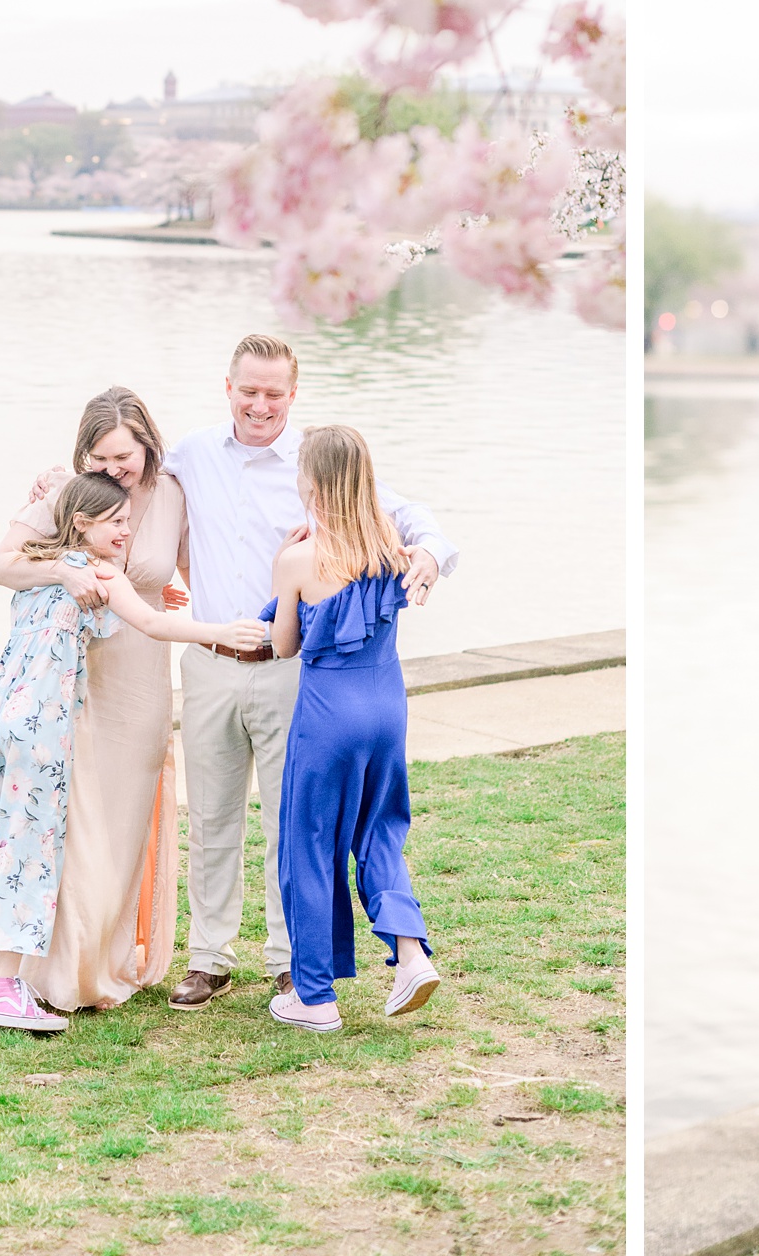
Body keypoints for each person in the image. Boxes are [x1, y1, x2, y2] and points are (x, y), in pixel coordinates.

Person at [163, 333, 460, 1011]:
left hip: (289, 671)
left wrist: (432, 556)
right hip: (209, 664)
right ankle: (209, 957)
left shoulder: (319, 461)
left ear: (293, 394)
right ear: (228, 385)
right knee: (211, 819)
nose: (260, 404)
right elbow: (125, 472)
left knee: (293, 821)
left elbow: (412, 516)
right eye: (249, 389)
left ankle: (290, 961)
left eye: (274, 392)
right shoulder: (193, 453)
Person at [0, 471, 265, 1033]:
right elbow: (150, 623)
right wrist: (220, 633)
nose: (127, 531)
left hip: (2, 709)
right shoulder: (95, 572)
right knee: (31, 848)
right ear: (82, 523)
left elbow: (117, 606)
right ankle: (1, 989)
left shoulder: (39, 563)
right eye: (116, 522)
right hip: (44, 723)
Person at [0, 387, 188, 1011]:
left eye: (122, 458)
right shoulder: (72, 494)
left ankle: (114, 955)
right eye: (98, 459)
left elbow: (191, 567)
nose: (111, 471)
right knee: (75, 823)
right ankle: (62, 971)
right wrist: (65, 572)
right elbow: (1, 566)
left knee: (126, 820)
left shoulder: (177, 494)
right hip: (77, 681)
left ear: (148, 447)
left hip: (143, 677)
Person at [260, 424, 442, 1032]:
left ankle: (314, 997)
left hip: (329, 714)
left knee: (308, 843)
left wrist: (283, 576)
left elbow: (284, 645)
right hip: (387, 706)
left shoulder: (298, 558)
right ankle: (410, 954)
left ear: (308, 481)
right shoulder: (393, 549)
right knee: (381, 830)